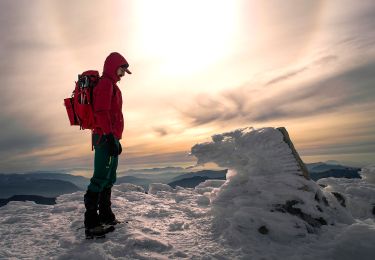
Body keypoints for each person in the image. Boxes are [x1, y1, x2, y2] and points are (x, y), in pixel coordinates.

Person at [83, 52, 131, 238]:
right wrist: (110, 136)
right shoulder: (105, 84)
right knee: (100, 177)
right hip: (104, 137)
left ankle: (106, 215)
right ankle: (91, 223)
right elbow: (101, 112)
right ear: (113, 66)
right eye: (122, 69)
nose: (123, 74)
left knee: (109, 177)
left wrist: (115, 138)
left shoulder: (113, 86)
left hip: (111, 137)